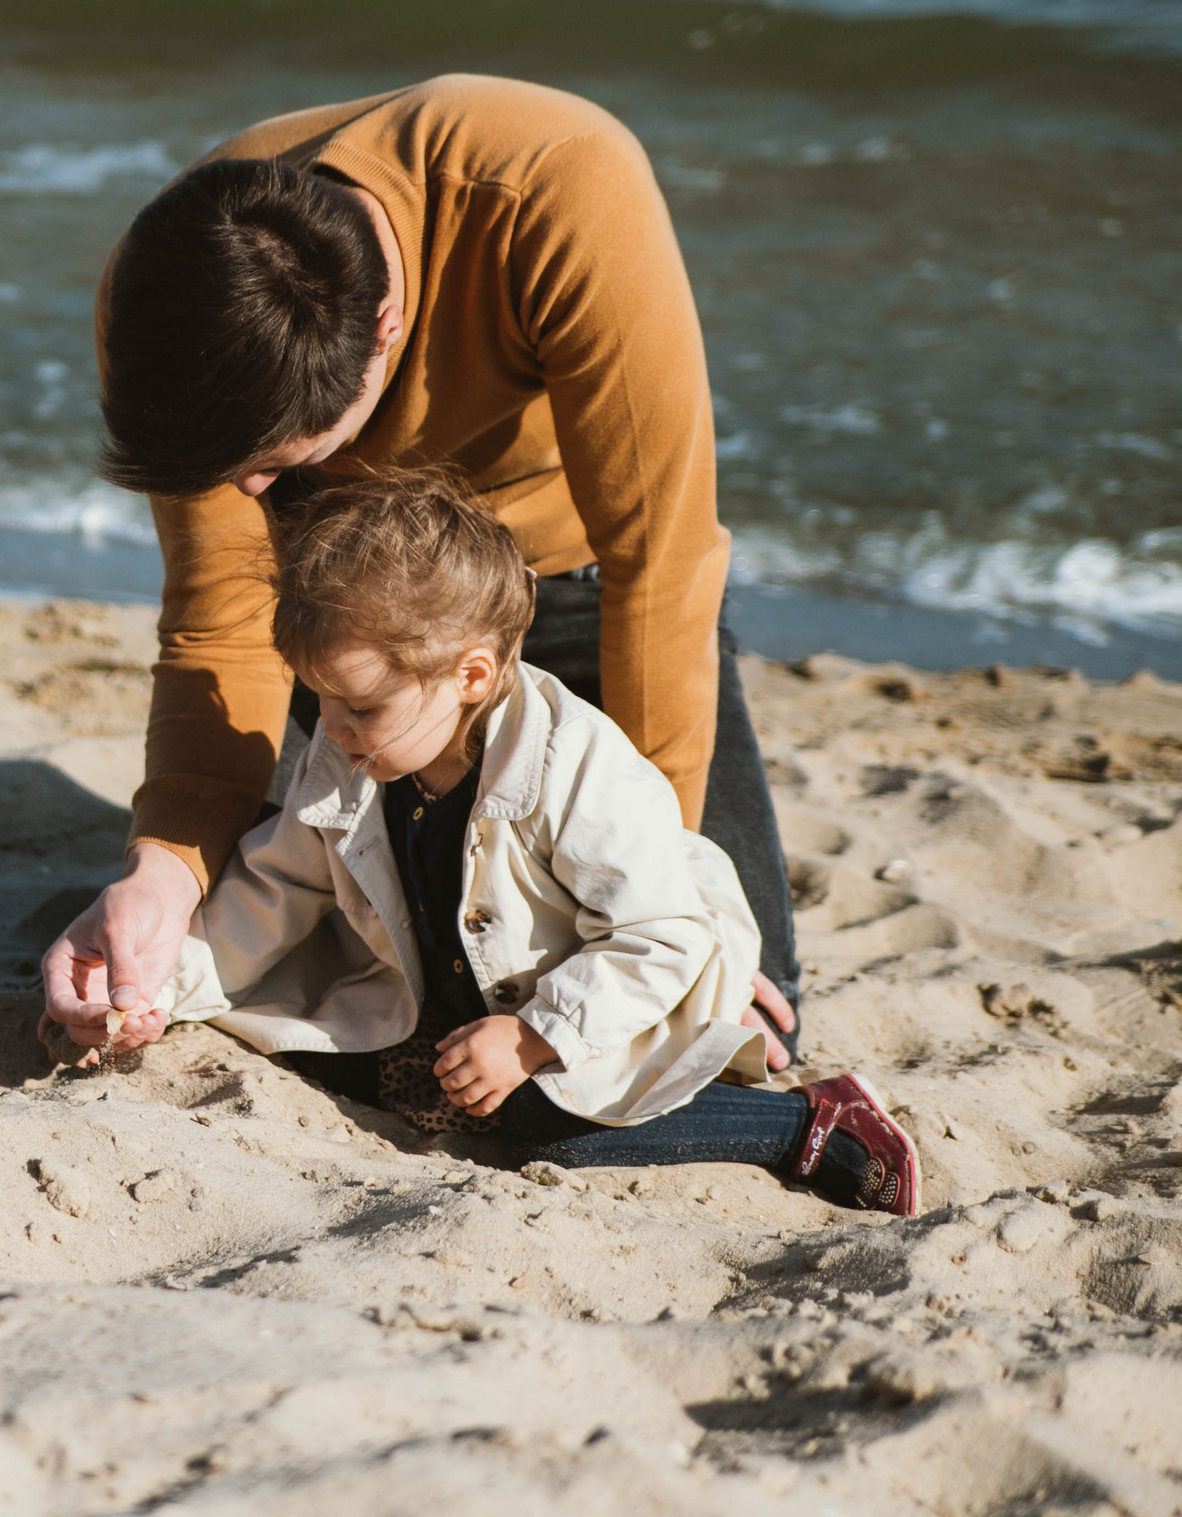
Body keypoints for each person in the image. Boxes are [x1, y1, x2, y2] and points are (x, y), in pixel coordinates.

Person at [42, 74, 801, 1066]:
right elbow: (222, 618)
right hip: (348, 622)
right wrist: (165, 869)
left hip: (572, 591)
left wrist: (671, 880)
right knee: (354, 988)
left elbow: (659, 561)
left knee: (729, 1018)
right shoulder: (173, 289)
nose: (246, 492)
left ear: (388, 327)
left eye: (276, 465)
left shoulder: (558, 189)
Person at [124, 470, 916, 1212]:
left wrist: (534, 1037)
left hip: (606, 997)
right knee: (303, 1037)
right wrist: (158, 991)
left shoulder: (572, 764)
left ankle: (808, 1124)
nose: (329, 727)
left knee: (550, 1128)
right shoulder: (352, 755)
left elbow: (663, 937)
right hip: (459, 994)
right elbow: (277, 888)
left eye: (359, 705)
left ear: (471, 675)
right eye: (319, 697)